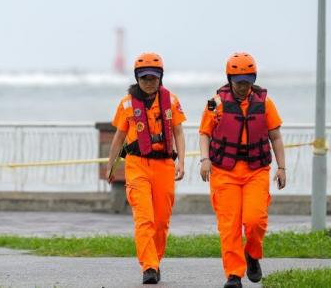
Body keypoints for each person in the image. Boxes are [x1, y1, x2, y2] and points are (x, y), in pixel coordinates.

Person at [198, 52, 287, 288]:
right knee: (230, 225)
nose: (242, 86)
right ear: (229, 80)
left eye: (247, 81)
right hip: (224, 172)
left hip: (256, 171)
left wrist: (282, 167)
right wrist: (204, 159)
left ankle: (252, 254)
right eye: (238, 82)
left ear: (253, 79)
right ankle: (234, 275)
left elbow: (275, 137)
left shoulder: (265, 103)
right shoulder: (215, 103)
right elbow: (205, 134)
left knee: (255, 220)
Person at [106, 52, 187, 285]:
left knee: (161, 222)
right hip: (137, 165)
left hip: (164, 166)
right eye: (144, 78)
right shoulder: (126, 104)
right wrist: (110, 165)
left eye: (153, 78)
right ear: (137, 78)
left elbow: (179, 133)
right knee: (144, 219)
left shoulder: (171, 101)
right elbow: (119, 136)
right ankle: (149, 267)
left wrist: (181, 161)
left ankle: (156, 261)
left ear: (160, 77)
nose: (149, 82)